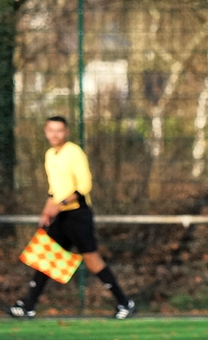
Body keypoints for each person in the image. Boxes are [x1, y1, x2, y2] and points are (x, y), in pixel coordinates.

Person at [8, 116, 135, 319]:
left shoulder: (74, 152)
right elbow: (54, 190)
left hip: (78, 215)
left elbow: (84, 186)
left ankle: (124, 303)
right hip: (61, 215)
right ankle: (28, 305)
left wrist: (60, 205)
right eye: (51, 130)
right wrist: (47, 211)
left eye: (59, 130)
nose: (55, 134)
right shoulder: (50, 155)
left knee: (92, 260)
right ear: (45, 132)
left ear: (66, 132)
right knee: (47, 257)